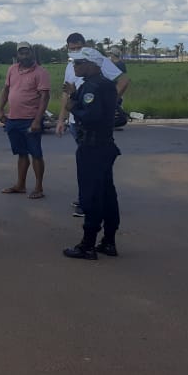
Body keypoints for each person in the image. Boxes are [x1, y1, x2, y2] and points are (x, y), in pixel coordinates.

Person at [56, 33, 129, 217]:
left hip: (92, 124)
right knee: (86, 166)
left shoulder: (98, 61)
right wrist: (62, 119)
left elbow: (123, 81)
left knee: (93, 167)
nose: (75, 54)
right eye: (71, 49)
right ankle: (87, 199)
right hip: (76, 121)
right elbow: (67, 94)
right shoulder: (71, 65)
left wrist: (108, 107)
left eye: (78, 48)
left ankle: (90, 204)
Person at [62, 47, 122, 260]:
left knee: (91, 196)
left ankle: (87, 245)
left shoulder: (92, 86)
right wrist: (74, 94)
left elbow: (91, 116)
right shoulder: (105, 84)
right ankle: (109, 241)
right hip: (105, 146)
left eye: (79, 63)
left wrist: (72, 106)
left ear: (92, 65)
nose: (75, 66)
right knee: (107, 194)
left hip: (92, 147)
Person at [0, 41, 51, 200]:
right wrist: (0, 110)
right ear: (17, 55)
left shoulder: (41, 72)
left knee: (36, 154)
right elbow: (6, 90)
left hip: (30, 119)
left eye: (27, 53)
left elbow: (45, 97)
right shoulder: (12, 69)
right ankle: (20, 185)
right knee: (21, 153)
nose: (24, 56)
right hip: (13, 119)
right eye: (21, 53)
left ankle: (38, 187)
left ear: (32, 53)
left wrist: (37, 120)